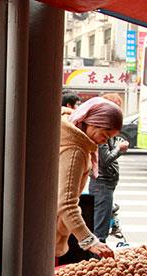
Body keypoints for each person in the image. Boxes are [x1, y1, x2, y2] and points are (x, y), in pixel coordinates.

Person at [57, 97, 122, 265]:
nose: (105, 141)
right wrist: (89, 241)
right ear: (91, 123)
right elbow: (66, 204)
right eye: (105, 135)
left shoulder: (72, 131)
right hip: (49, 234)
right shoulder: (75, 150)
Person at [89, 93, 129, 242]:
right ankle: (96, 260)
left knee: (101, 226)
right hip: (102, 184)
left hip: (105, 184)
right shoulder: (101, 131)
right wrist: (119, 149)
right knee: (100, 232)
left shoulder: (107, 131)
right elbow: (104, 160)